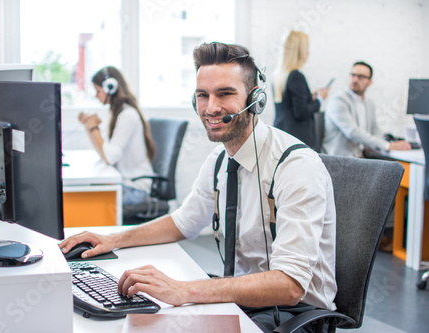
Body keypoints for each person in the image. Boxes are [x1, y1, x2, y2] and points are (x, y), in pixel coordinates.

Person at [60, 43, 337, 332]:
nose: (211, 107)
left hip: (294, 314)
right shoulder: (219, 160)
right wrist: (114, 239)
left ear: (256, 99)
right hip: (243, 298)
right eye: (202, 96)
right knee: (142, 324)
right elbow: (183, 222)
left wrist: (183, 291)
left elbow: (289, 285)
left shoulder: (295, 167)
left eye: (225, 93)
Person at [78, 66, 156, 205]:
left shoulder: (127, 115)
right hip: (124, 184)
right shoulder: (115, 113)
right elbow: (104, 153)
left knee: (90, 202)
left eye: (98, 91)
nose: (96, 96)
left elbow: (110, 158)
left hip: (136, 188)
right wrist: (89, 127)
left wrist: (95, 127)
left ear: (110, 88)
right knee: (85, 194)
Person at [322, 61, 412, 157]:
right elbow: (352, 132)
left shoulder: (369, 103)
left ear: (369, 82)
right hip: (339, 159)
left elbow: (375, 130)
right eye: (353, 75)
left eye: (360, 76)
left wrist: (390, 143)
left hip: (359, 156)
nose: (355, 79)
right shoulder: (338, 100)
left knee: (392, 167)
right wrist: (387, 146)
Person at [273, 30, 329, 152]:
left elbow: (290, 104)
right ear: (299, 50)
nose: (308, 52)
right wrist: (319, 100)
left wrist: (309, 97)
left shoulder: (279, 76)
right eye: (307, 48)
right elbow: (301, 112)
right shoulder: (296, 76)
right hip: (297, 139)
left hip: (282, 135)